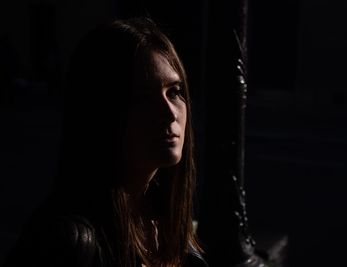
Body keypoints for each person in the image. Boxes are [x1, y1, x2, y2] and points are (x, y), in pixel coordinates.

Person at [4, 18, 207, 267]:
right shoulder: (67, 241)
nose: (169, 113)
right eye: (143, 97)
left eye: (174, 92)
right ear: (102, 112)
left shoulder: (169, 224)